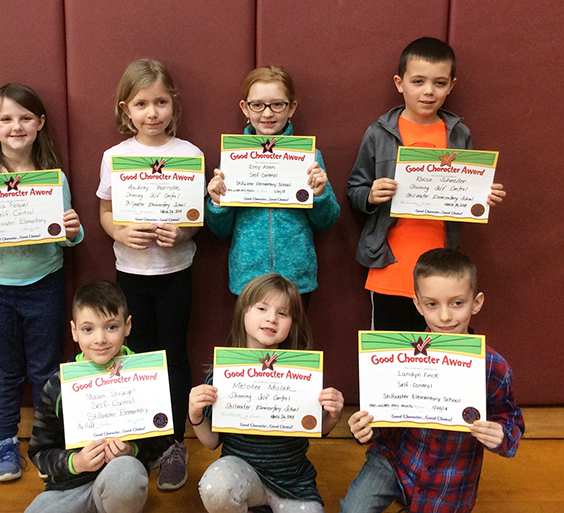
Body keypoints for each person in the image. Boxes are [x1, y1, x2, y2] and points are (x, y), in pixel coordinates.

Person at [0, 83, 83, 482]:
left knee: (45, 370)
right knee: (4, 371)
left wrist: (73, 231)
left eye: (25, 117)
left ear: (40, 123)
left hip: (45, 286)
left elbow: (69, 235)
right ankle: (6, 442)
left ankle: (46, 445)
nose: (16, 126)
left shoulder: (52, 179)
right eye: (6, 118)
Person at [339, 248, 524, 513]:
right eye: (432, 304)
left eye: (457, 303)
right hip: (397, 459)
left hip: (451, 478)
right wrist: (364, 428)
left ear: (477, 302)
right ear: (417, 304)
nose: (445, 317)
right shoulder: (394, 357)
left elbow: (512, 422)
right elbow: (383, 415)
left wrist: (500, 435)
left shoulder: (494, 367)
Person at [347, 37, 506, 331]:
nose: (428, 91)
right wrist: (370, 195)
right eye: (418, 81)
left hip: (442, 273)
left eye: (440, 83)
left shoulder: (459, 135)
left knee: (438, 358)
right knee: (388, 355)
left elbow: (468, 192)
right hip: (389, 265)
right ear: (400, 82)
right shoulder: (379, 133)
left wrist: (483, 195)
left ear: (451, 86)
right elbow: (354, 189)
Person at [96, 59, 203, 490]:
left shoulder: (189, 154)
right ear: (127, 109)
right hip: (132, 273)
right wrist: (120, 230)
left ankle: (175, 442)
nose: (152, 112)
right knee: (137, 360)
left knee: (174, 354)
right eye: (142, 104)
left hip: (176, 272)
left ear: (173, 104)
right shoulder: (115, 157)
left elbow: (197, 217)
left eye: (161, 101)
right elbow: (104, 211)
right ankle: (142, 443)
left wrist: (184, 231)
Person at [189, 273, 344, 513]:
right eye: (262, 308)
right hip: (242, 476)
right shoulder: (223, 375)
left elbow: (317, 428)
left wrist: (333, 415)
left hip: (293, 483)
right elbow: (212, 442)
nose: (271, 318)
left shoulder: (303, 374)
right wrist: (195, 414)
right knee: (215, 487)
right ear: (243, 313)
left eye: (282, 313)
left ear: (292, 323)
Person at [26, 281, 167, 513]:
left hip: (119, 479)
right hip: (69, 487)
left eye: (111, 327)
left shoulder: (146, 376)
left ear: (127, 326)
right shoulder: (58, 384)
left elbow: (161, 440)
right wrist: (76, 462)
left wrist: (133, 452)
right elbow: (39, 452)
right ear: (74, 331)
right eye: (88, 329)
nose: (100, 339)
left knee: (126, 476)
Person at [206, 66, 340, 307]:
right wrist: (217, 202)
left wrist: (320, 195)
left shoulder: (309, 157)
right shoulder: (234, 157)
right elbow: (220, 230)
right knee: (249, 343)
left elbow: (326, 222)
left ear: (291, 108)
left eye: (277, 104)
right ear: (245, 109)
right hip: (248, 276)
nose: (267, 113)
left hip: (295, 277)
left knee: (294, 343)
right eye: (257, 105)